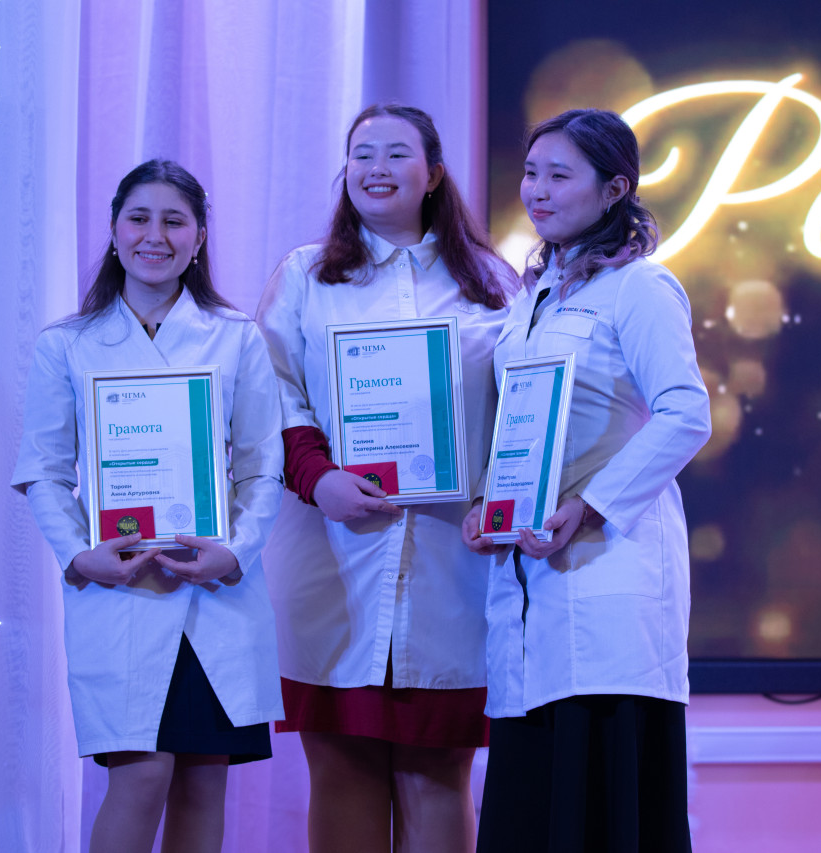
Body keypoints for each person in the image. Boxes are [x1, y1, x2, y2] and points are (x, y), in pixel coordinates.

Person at [256, 104, 515, 853]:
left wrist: (502, 498)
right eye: (361, 153)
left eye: (396, 153)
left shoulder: (492, 283)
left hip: (453, 564)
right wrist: (318, 478)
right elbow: (270, 395)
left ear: (433, 174)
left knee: (438, 775)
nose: (376, 167)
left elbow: (520, 409)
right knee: (341, 771)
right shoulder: (306, 276)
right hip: (333, 557)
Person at [11, 160, 284, 853]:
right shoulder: (67, 344)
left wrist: (234, 551)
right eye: (139, 218)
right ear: (113, 230)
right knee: (141, 777)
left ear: (199, 237)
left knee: (202, 781)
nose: (154, 235)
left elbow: (263, 466)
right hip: (121, 594)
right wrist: (80, 555)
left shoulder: (236, 336)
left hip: (216, 594)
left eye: (174, 221)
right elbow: (43, 471)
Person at [464, 109, 712, 852]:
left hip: (609, 588)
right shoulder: (533, 298)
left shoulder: (641, 288)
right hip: (530, 583)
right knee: (532, 815)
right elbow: (522, 426)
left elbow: (686, 413)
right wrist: (489, 503)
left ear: (614, 190)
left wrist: (592, 506)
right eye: (530, 172)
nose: (536, 190)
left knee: (602, 816)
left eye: (559, 175)